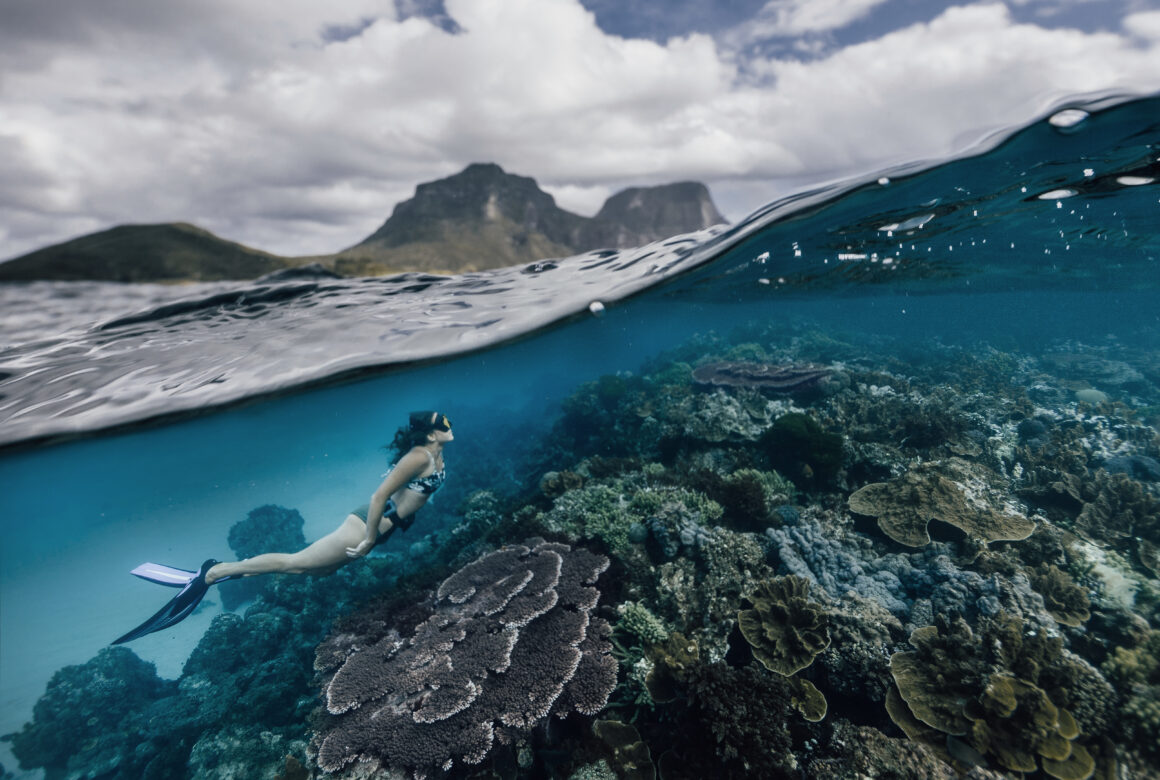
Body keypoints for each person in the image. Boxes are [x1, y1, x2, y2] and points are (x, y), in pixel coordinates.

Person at [112, 411, 453, 644]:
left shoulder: (433, 455)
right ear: (430, 432)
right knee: (296, 562)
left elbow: (401, 493)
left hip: (383, 527)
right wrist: (367, 539)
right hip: (369, 524)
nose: (449, 424)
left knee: (316, 572)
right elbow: (379, 496)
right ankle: (214, 573)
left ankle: (232, 573)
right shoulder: (420, 456)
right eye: (443, 421)